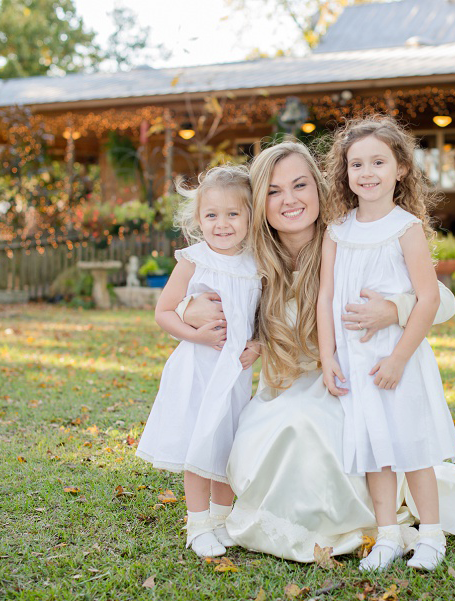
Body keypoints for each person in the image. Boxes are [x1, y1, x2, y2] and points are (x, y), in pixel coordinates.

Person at [180, 139, 455, 565]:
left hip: (347, 379)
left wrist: (394, 309)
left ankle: (365, 524)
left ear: (319, 188)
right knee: (278, 424)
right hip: (282, 385)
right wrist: (190, 308)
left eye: (300, 185)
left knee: (306, 427)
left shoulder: (349, 238)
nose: (289, 200)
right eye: (274, 191)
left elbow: (440, 301)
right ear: (259, 200)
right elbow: (198, 291)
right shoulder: (250, 254)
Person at [318, 116, 455, 571]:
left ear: (400, 168)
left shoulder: (406, 228)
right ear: (345, 172)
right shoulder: (337, 230)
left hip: (398, 361)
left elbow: (428, 298)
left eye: (378, 161)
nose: (366, 172)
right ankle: (388, 536)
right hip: (355, 362)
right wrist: (327, 356)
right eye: (356, 163)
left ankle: (432, 535)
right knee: (374, 451)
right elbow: (324, 297)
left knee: (411, 446)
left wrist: (400, 358)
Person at [135, 165, 262, 558]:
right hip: (197, 368)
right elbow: (164, 312)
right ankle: (198, 524)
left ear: (250, 217)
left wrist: (256, 347)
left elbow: (263, 318)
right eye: (211, 215)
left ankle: (223, 520)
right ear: (197, 219)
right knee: (199, 445)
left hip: (235, 373)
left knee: (225, 446)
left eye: (233, 214)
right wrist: (196, 335)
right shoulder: (195, 260)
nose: (221, 224)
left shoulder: (258, 263)